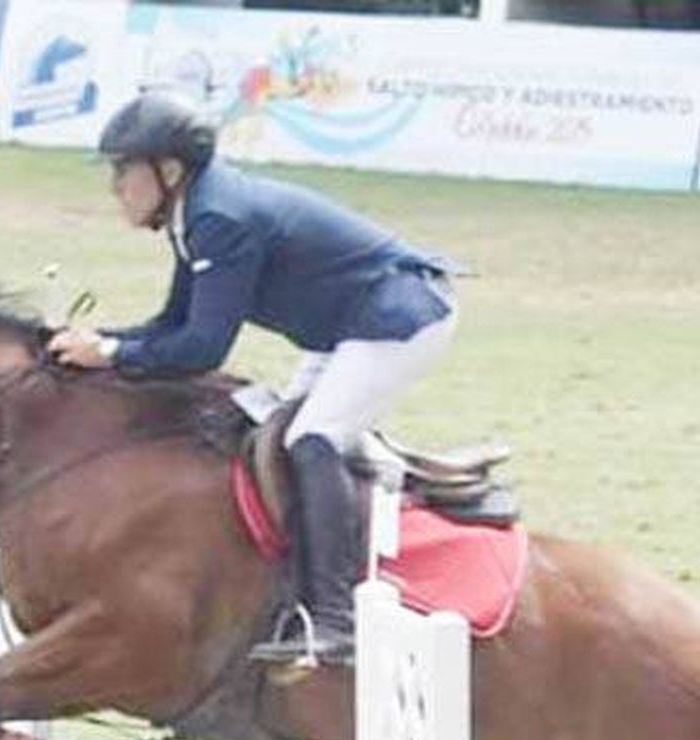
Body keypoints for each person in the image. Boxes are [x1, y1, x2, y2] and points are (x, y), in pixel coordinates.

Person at [48, 89, 458, 667]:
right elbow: (173, 324)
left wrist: (112, 353)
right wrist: (95, 344)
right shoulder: (194, 214)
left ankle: (339, 622)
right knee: (272, 438)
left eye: (123, 170)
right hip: (345, 327)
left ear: (168, 170)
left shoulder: (219, 218)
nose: (115, 186)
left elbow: (201, 348)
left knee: (310, 440)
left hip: (397, 319)